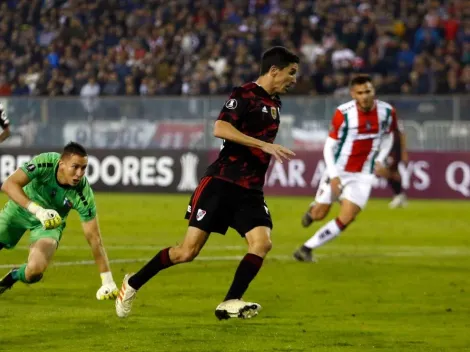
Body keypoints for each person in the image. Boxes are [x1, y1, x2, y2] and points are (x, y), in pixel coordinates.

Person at [115, 46, 299, 319]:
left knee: (262, 243)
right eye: (291, 72)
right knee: (187, 252)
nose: (294, 79)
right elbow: (220, 128)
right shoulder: (244, 94)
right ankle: (132, 284)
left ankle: (230, 301)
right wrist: (263, 145)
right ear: (274, 70)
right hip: (221, 182)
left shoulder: (274, 104)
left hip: (250, 190)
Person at [293, 75, 396, 262]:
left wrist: (380, 159)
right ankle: (312, 211)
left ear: (373, 91)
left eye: (368, 91)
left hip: (364, 174)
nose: (365, 96)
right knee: (319, 214)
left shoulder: (387, 112)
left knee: (347, 217)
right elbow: (328, 147)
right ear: (353, 94)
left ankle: (306, 249)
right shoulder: (343, 113)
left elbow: (389, 136)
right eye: (360, 93)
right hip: (339, 170)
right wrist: (333, 176)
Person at [0, 142, 119, 300]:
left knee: (35, 271)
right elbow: (9, 184)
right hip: (21, 209)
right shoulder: (46, 162)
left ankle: (13, 277)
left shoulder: (83, 194)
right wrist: (38, 210)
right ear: (62, 164)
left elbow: (94, 238)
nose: (79, 174)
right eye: (75, 167)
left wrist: (107, 280)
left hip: (50, 224)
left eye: (83, 168)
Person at [374, 122, 409, 208]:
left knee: (386, 171)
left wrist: (404, 151)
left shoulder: (393, 120)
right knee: (391, 172)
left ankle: (398, 195)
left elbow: (402, 135)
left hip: (394, 150)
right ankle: (399, 195)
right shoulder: (377, 117)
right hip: (385, 150)